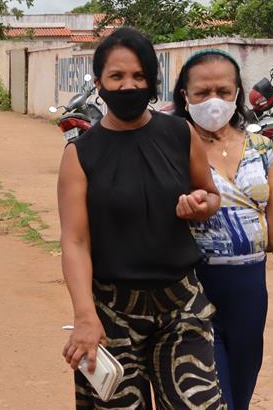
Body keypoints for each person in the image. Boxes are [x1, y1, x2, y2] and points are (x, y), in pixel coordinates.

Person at [58, 27, 227, 410]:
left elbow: (211, 193)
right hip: (110, 312)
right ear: (98, 82)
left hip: (181, 306)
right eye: (116, 77)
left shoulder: (180, 133)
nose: (128, 85)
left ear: (152, 80)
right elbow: (75, 241)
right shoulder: (80, 155)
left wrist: (204, 203)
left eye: (139, 76)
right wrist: (85, 315)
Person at [173, 49, 273, 410]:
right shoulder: (172, 146)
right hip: (193, 290)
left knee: (239, 395)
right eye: (202, 93)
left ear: (238, 93)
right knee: (211, 399)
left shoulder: (263, 150)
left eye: (223, 91)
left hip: (250, 294)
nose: (213, 101)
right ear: (184, 96)